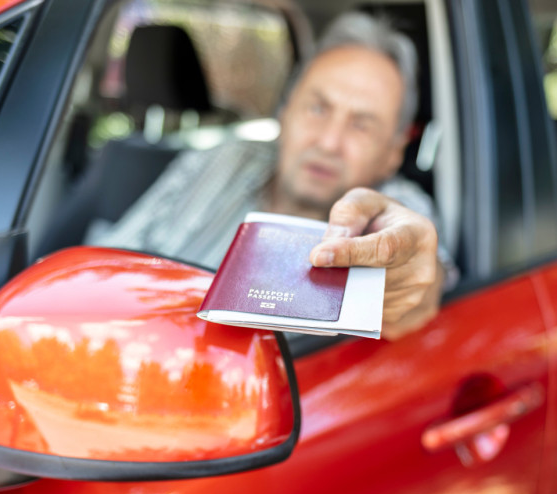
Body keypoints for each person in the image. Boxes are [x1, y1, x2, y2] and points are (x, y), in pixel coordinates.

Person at [91, 12, 454, 340]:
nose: (328, 142)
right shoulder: (223, 159)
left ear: (392, 154)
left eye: (361, 125)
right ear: (284, 112)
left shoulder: (393, 211)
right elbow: (109, 267)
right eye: (317, 108)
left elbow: (418, 274)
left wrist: (406, 277)